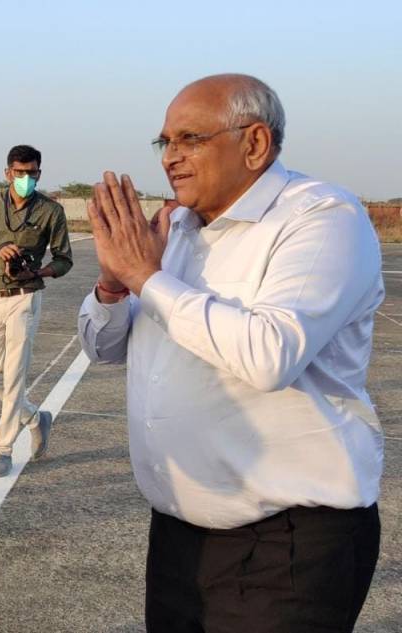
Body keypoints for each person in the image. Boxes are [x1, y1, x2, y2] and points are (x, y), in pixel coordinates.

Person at [78, 74, 383, 631]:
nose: (170, 157)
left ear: (255, 143)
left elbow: (270, 355)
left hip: (287, 543)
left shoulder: (319, 218)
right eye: (164, 142)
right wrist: (113, 286)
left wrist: (146, 276)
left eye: (190, 139)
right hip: (180, 538)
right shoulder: (175, 229)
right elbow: (105, 347)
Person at [0, 145, 73, 477]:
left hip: (26, 296)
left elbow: (64, 259)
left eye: (31, 173)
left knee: (14, 376)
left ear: (39, 173)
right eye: (19, 172)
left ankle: (2, 449)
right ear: (7, 173)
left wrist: (38, 272)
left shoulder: (51, 211)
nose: (25, 178)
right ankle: (34, 417)